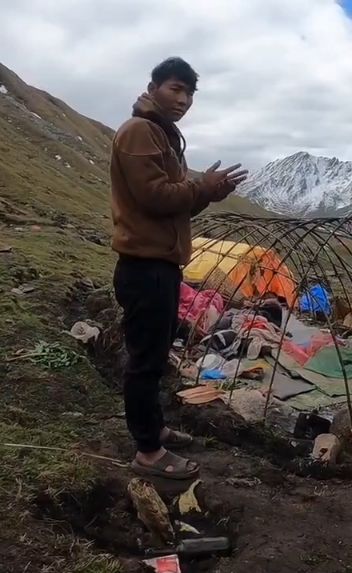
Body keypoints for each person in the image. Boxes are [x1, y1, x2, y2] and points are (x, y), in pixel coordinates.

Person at [111, 57, 248, 480]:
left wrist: (209, 195)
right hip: (144, 266)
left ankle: (156, 429)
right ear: (152, 87)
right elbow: (153, 196)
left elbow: (175, 200)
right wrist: (199, 187)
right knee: (145, 360)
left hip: (163, 265)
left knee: (155, 354)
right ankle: (148, 453)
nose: (183, 100)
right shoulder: (138, 132)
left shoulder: (161, 135)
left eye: (189, 94)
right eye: (175, 89)